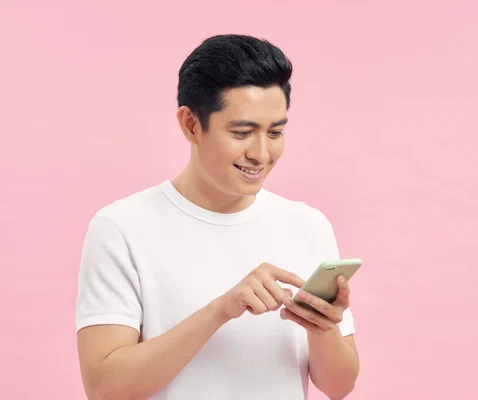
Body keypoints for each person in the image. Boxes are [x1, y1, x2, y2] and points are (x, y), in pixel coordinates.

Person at [75, 34, 360, 400]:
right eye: (243, 132)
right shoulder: (121, 228)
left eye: (275, 132)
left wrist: (322, 328)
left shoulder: (309, 225)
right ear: (191, 125)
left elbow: (340, 386)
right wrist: (221, 310)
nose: (261, 153)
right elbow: (104, 388)